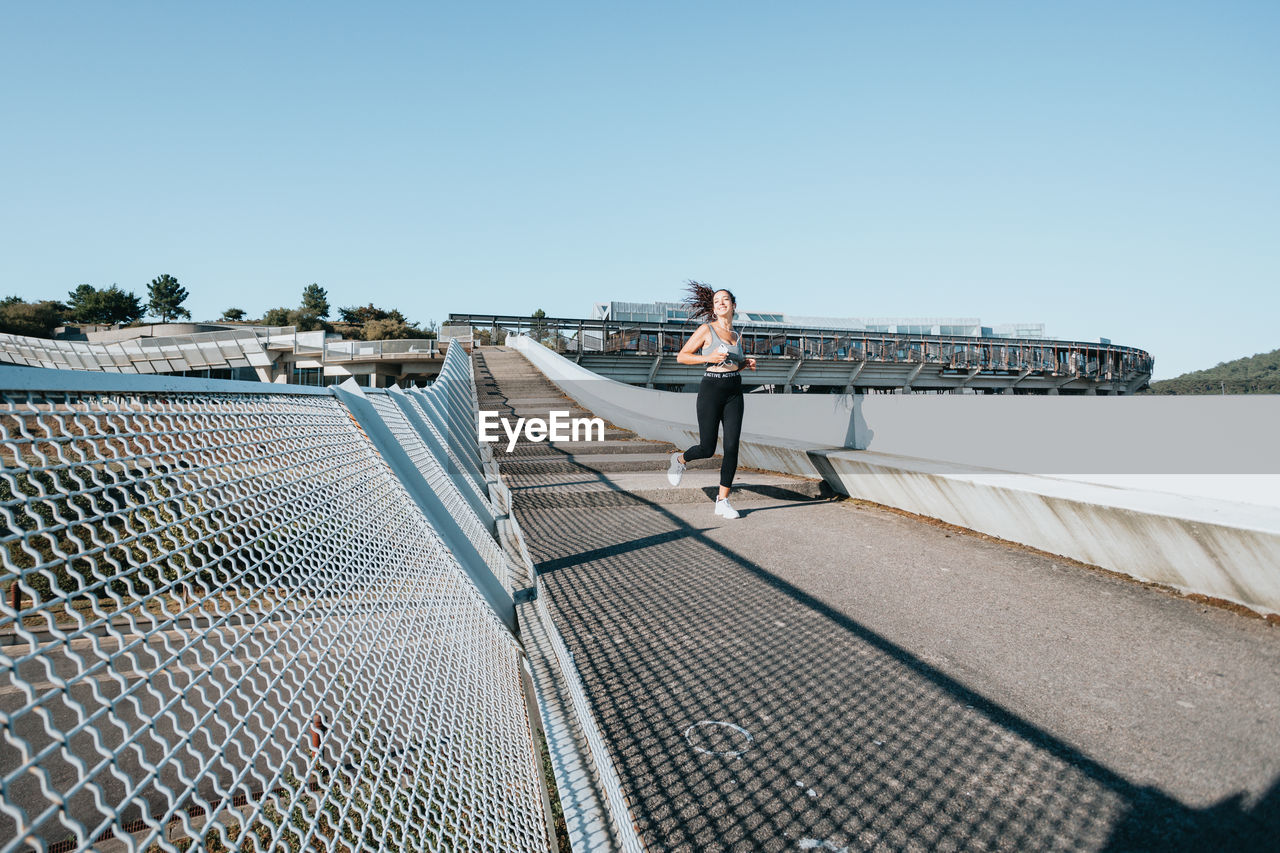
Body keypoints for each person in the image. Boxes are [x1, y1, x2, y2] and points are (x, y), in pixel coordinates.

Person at [665, 282, 757, 519]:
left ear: (733, 305)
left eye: (725, 299)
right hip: (711, 389)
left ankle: (722, 500)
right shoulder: (707, 330)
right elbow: (682, 356)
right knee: (707, 448)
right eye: (717, 301)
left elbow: (733, 363)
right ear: (714, 309)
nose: (721, 303)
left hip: (734, 390)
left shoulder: (736, 335)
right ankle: (679, 459)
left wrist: (746, 364)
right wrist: (709, 356)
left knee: (732, 447)